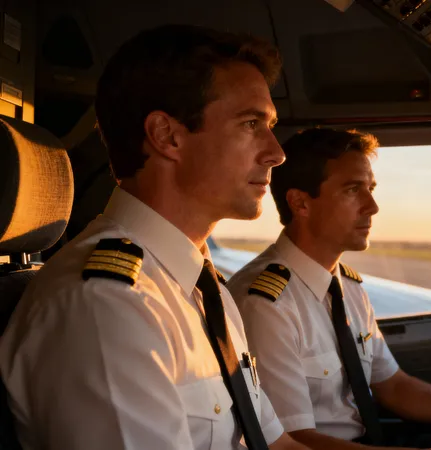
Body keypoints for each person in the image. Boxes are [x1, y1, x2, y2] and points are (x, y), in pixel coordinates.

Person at [0, 24, 309, 450]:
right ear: (167, 136)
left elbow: (276, 444)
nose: (277, 152)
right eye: (251, 123)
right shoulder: (106, 308)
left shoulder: (201, 288)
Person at [227, 128, 431, 450]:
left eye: (370, 189)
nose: (372, 206)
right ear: (301, 203)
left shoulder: (346, 287)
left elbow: (392, 385)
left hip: (372, 440)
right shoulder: (266, 305)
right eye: (353, 190)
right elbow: (294, 441)